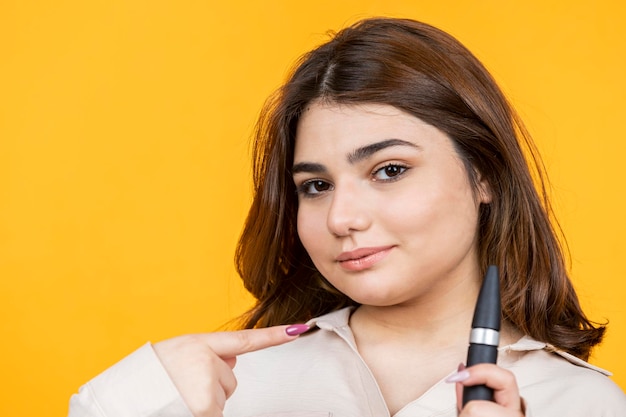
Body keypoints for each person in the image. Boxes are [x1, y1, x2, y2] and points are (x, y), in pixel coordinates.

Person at [68, 17, 626, 417]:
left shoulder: (582, 403)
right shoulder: (225, 390)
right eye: (315, 186)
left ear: (483, 174)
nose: (341, 217)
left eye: (388, 170)